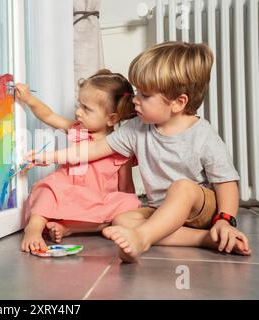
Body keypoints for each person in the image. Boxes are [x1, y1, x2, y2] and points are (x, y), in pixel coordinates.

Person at [24, 42, 251, 262]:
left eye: (145, 95)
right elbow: (94, 149)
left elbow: (226, 182)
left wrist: (224, 220)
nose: (135, 100)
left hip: (200, 208)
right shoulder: (136, 129)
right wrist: (49, 157)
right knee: (121, 220)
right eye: (136, 92)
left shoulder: (203, 135)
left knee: (182, 187)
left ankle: (143, 239)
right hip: (160, 210)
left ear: (178, 103)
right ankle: (204, 240)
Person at [15, 70, 141, 253]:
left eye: (86, 109)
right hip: (67, 191)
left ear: (111, 118)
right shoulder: (77, 129)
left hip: (97, 200)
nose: (78, 112)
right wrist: (28, 99)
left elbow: (126, 187)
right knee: (48, 189)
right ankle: (33, 228)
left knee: (127, 203)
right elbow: (49, 116)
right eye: (79, 105)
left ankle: (70, 228)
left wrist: (127, 207)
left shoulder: (121, 148)